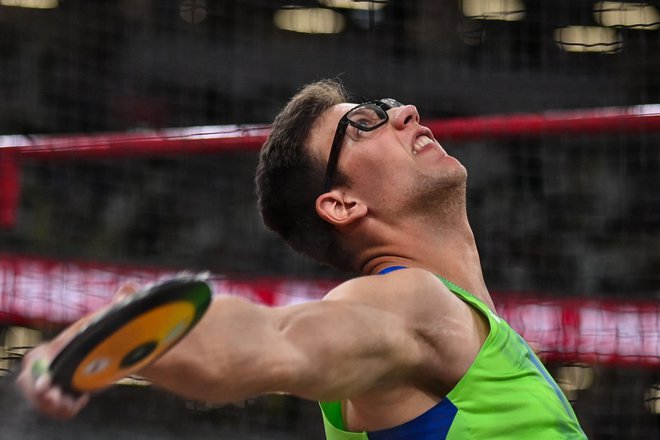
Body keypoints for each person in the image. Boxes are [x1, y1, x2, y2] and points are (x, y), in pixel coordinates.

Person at [18, 79, 586, 439]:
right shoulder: (411, 303)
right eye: (364, 123)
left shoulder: (463, 327)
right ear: (341, 204)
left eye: (386, 106)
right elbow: (279, 339)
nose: (404, 112)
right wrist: (128, 331)